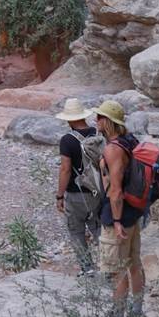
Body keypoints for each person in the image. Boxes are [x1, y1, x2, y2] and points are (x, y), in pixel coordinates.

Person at [93, 99, 145, 317]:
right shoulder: (130, 141)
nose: (95, 121)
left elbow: (115, 191)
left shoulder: (113, 149)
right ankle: (136, 311)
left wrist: (115, 221)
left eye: (99, 118)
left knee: (117, 269)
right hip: (133, 213)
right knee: (134, 262)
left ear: (107, 121)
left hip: (119, 216)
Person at [55, 98, 103, 275]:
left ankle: (87, 269)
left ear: (68, 119)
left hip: (76, 193)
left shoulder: (67, 140)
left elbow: (65, 169)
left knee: (76, 231)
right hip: (97, 190)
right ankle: (110, 265)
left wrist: (60, 195)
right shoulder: (98, 134)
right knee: (98, 227)